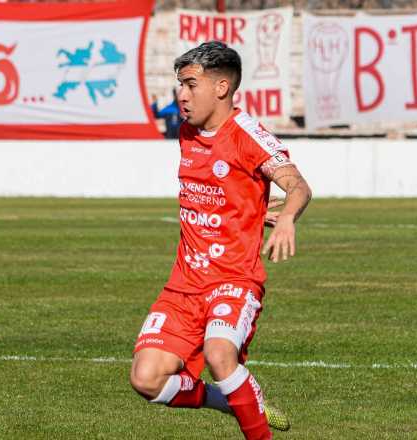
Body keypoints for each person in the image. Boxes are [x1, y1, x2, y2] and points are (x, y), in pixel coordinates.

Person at [129, 41, 312, 439]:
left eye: (190, 85)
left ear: (222, 87)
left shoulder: (248, 136)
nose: (181, 95)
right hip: (183, 286)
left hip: (233, 279)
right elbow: (223, 191)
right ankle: (232, 400)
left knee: (219, 354)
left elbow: (298, 185)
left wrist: (287, 219)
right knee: (146, 379)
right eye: (180, 84)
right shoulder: (187, 132)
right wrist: (252, 213)